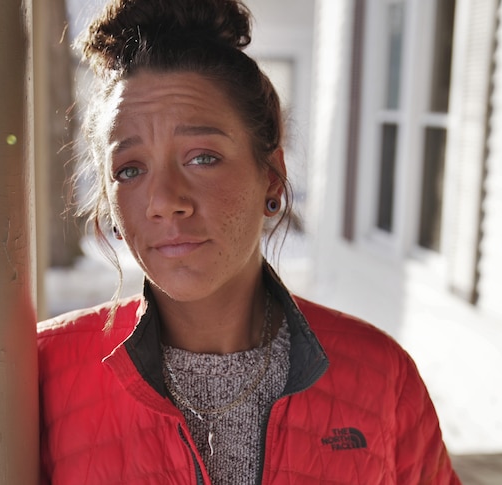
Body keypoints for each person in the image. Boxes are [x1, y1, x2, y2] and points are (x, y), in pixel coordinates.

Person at [37, 0, 461, 483]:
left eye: (202, 157)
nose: (164, 201)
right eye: (130, 170)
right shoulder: (40, 376)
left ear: (273, 176)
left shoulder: (381, 377)